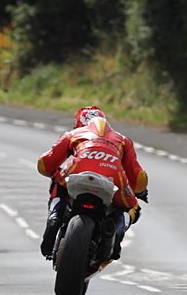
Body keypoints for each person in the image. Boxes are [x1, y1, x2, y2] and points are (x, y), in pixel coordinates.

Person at [37, 106, 149, 260]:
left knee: (58, 182)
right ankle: (116, 234)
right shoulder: (123, 140)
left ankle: (53, 220)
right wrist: (140, 192)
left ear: (79, 123)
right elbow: (138, 178)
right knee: (133, 207)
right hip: (114, 178)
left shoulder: (73, 134)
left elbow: (45, 164)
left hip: (76, 174)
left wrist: (54, 173)